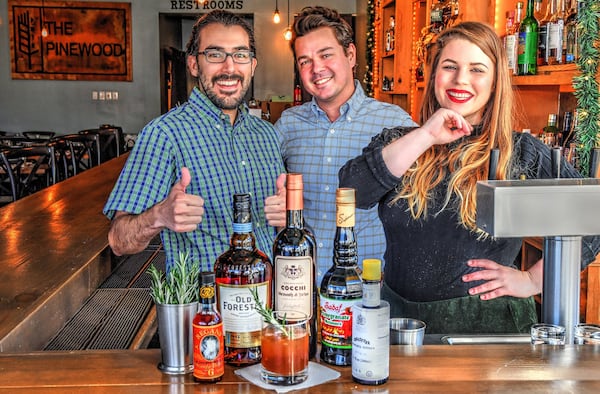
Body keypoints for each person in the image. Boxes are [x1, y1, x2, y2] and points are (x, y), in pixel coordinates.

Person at [339, 21, 600, 334]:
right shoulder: (400, 141)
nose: (461, 79)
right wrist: (425, 135)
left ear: (494, 83)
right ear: (435, 75)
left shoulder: (520, 151)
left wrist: (531, 280)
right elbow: (352, 192)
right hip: (401, 321)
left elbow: (592, 217)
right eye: (450, 66)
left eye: (477, 69)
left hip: (488, 326)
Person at [103, 10, 285, 271]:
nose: (230, 68)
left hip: (268, 301)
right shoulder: (164, 134)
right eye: (215, 54)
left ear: (252, 65)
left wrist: (286, 216)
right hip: (205, 306)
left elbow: (278, 226)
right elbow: (119, 241)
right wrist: (160, 216)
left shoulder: (266, 135)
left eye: (240, 55)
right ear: (193, 65)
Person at [264, 6, 417, 285]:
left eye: (325, 55)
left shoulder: (394, 123)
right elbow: (266, 190)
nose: (316, 69)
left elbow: (422, 204)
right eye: (304, 61)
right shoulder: (287, 125)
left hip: (367, 287)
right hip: (301, 285)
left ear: (350, 55)